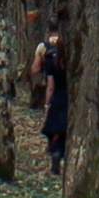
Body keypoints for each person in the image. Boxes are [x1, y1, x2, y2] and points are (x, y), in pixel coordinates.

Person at [32, 20, 68, 177]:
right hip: (68, 95)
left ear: (48, 30)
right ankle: (61, 153)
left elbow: (34, 69)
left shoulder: (43, 47)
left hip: (54, 93)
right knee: (65, 126)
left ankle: (54, 152)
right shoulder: (67, 48)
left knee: (54, 126)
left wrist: (46, 104)